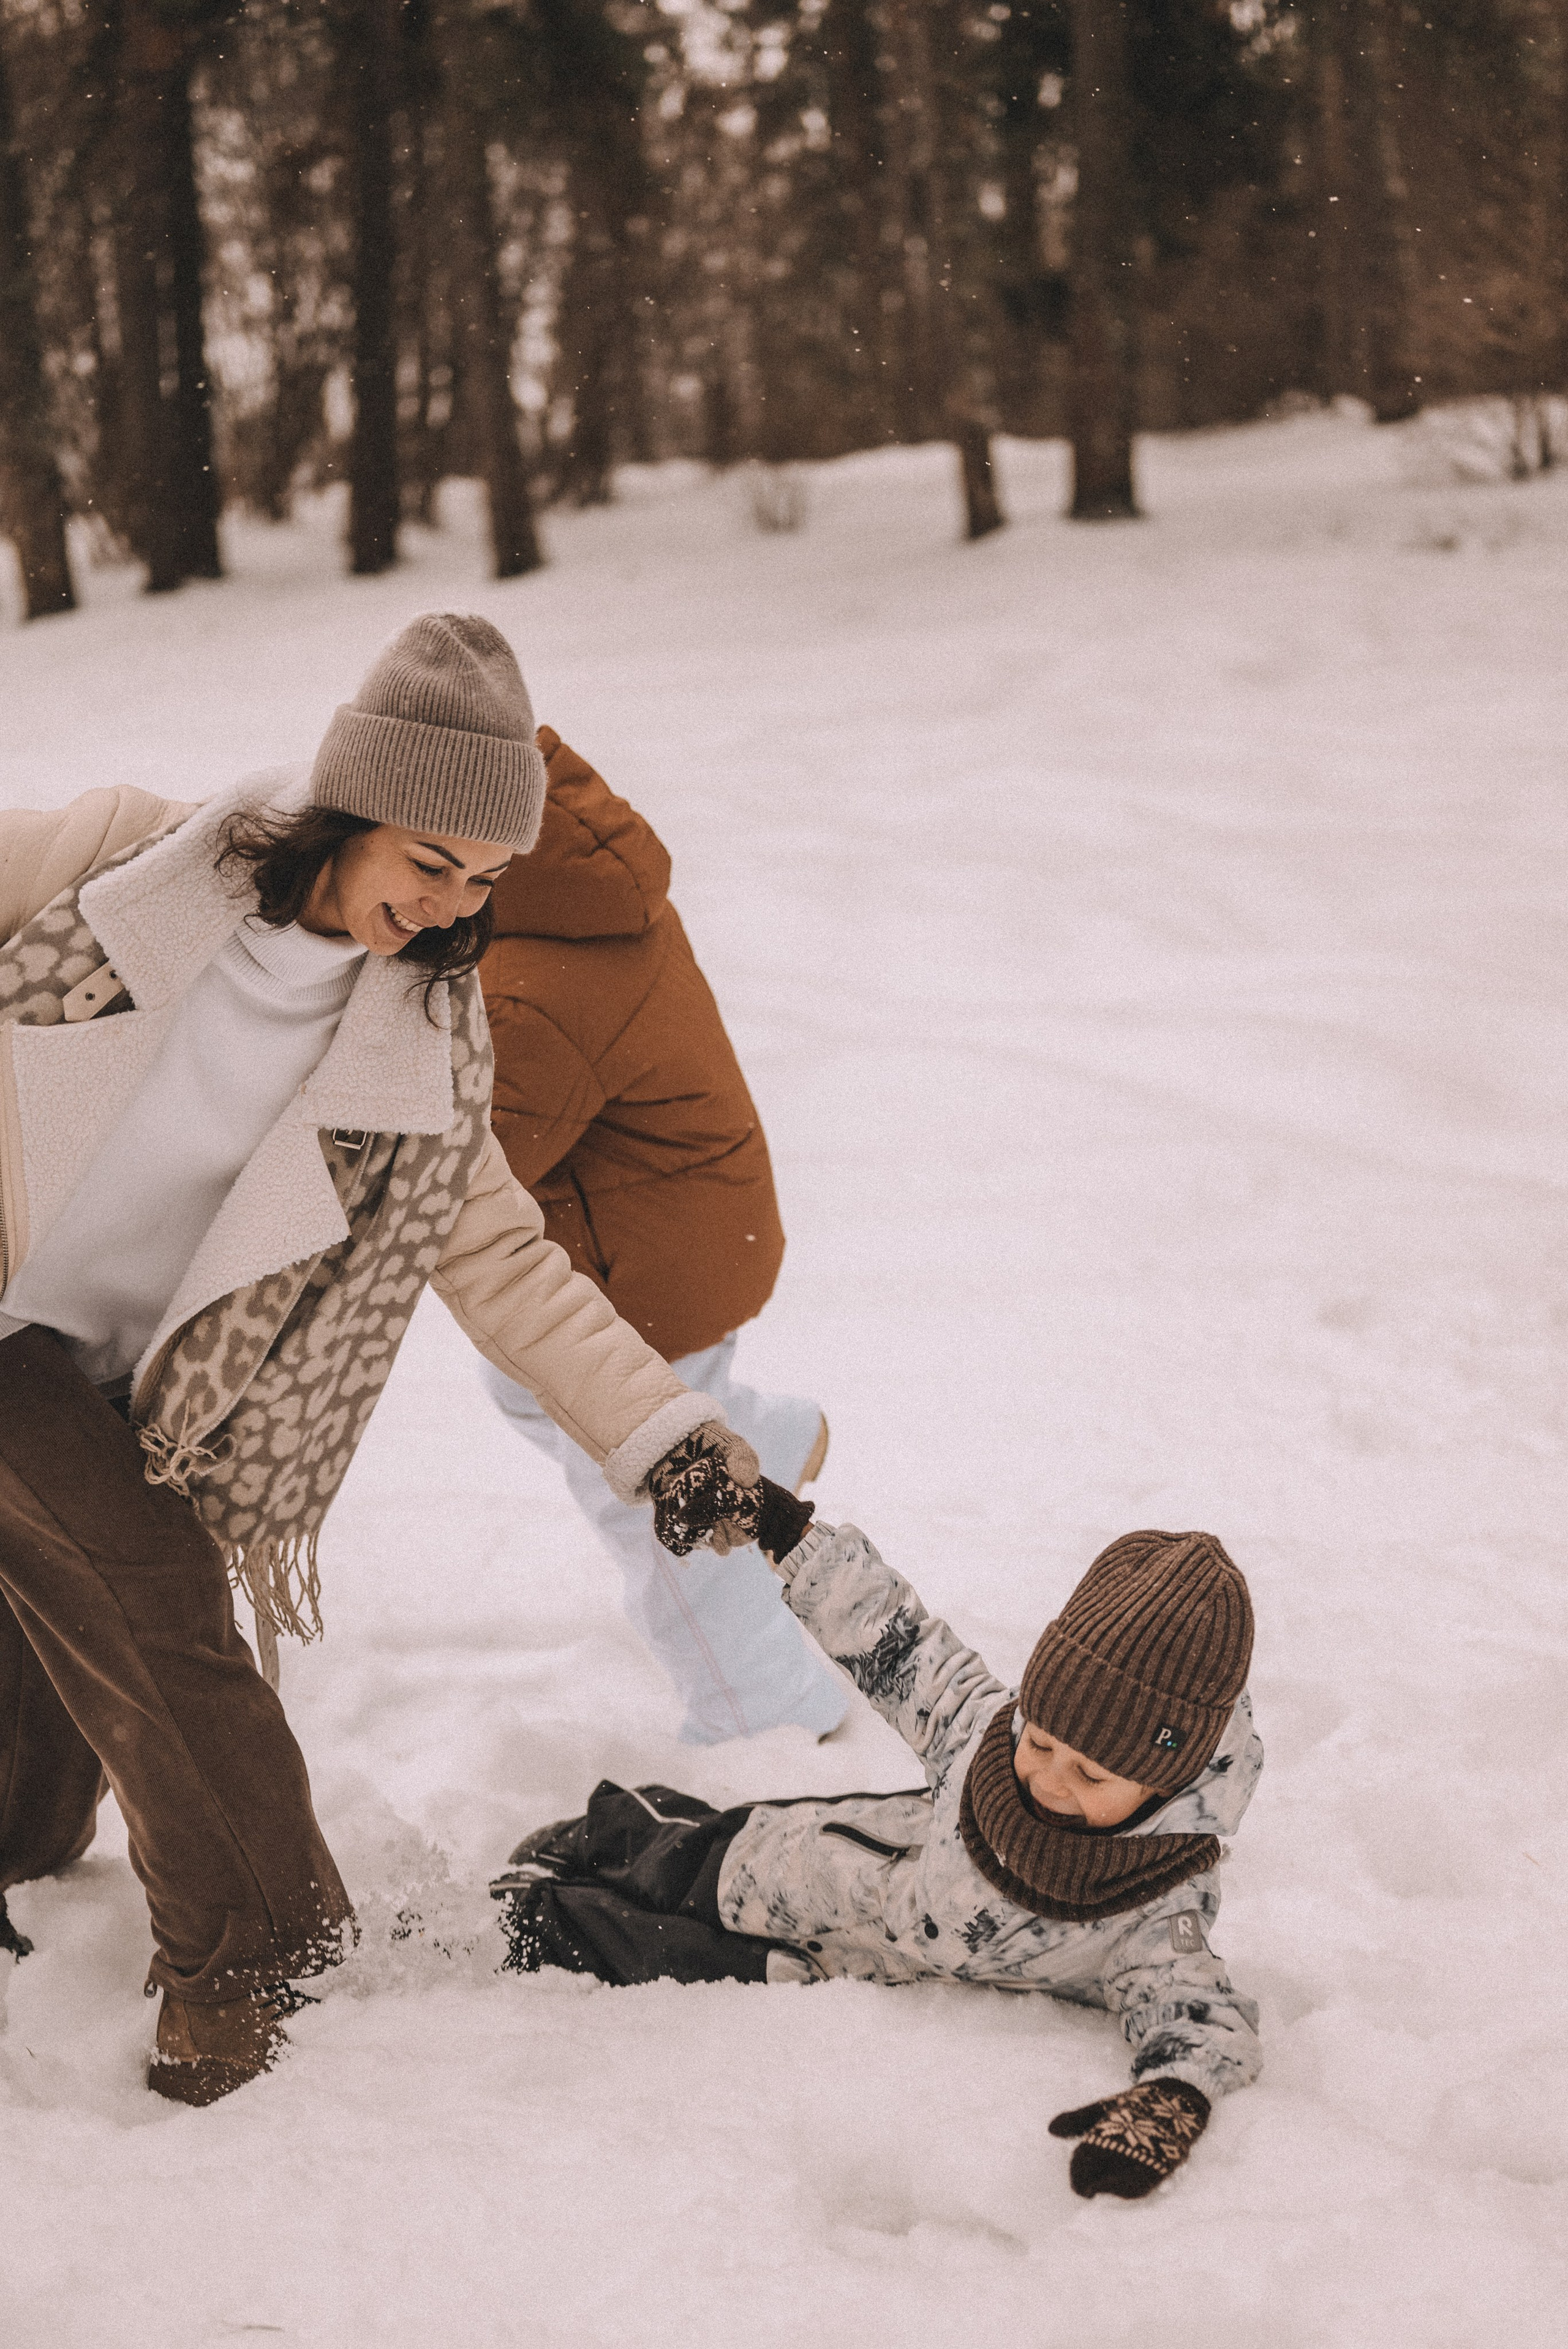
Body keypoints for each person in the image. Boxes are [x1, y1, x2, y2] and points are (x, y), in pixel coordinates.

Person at [0, 613, 768, 2106]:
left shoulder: (416, 1041)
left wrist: (664, 1432)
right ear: (346, 813)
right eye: (429, 861)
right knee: (149, 1589)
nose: (452, 904)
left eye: (485, 880)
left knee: (60, 1581)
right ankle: (260, 1940)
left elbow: (502, 1262)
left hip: (110, 1367)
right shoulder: (120, 862)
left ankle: (20, 1829)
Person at [492, 1499, 1263, 2202]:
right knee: (660, 1849)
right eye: (1042, 1740)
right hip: (788, 1859)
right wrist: (787, 1532)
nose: (1050, 1781)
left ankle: (510, 1919)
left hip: (823, 1966)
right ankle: (588, 1837)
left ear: (1165, 1779)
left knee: (633, 1950)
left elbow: (1194, 2007)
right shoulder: (979, 1739)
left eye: (1091, 1773)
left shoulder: (1157, 1906)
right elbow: (894, 1641)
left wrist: (1173, 2094)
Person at [479, 732, 843, 1743]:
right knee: (516, 1382)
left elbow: (471, 1176)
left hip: (637, 1281)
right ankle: (759, 1439)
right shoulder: (569, 887)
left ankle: (764, 1717)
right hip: (686, 1229)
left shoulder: (525, 987)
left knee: (651, 1500)